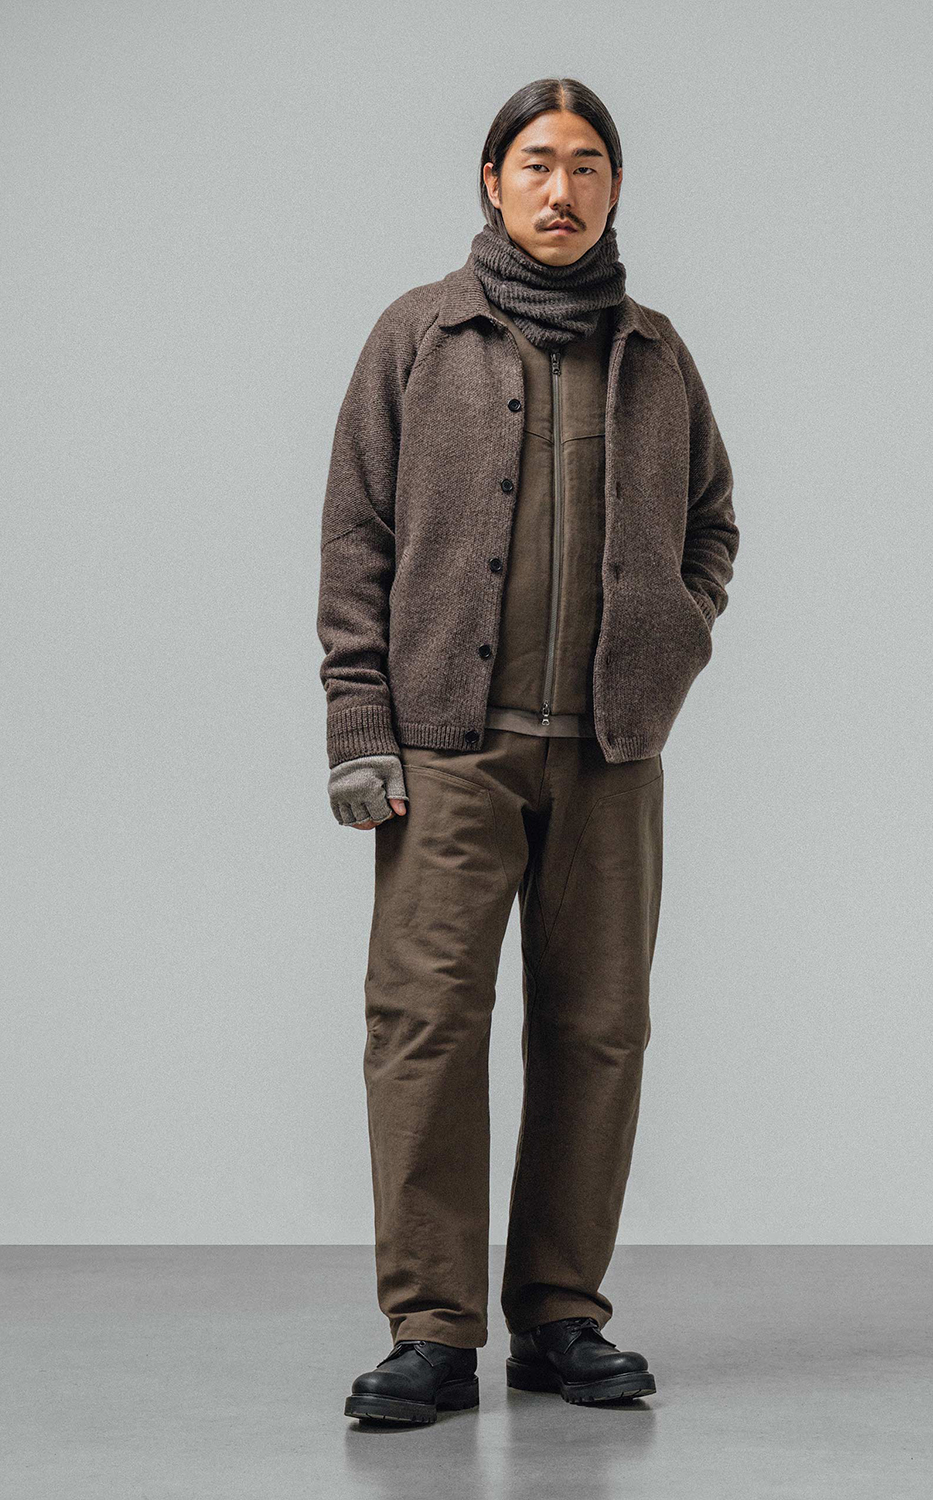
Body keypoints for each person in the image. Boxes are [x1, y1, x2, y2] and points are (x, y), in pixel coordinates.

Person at [317, 76, 739, 1426]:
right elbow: (356, 536)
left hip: (610, 759)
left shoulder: (656, 355)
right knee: (425, 1030)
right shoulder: (418, 336)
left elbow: (713, 521)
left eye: (589, 165)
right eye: (539, 162)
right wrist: (359, 724)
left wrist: (673, 640)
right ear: (492, 181)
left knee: (598, 1032)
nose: (563, 189)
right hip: (448, 755)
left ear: (614, 190)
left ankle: (560, 1317)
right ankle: (431, 1331)